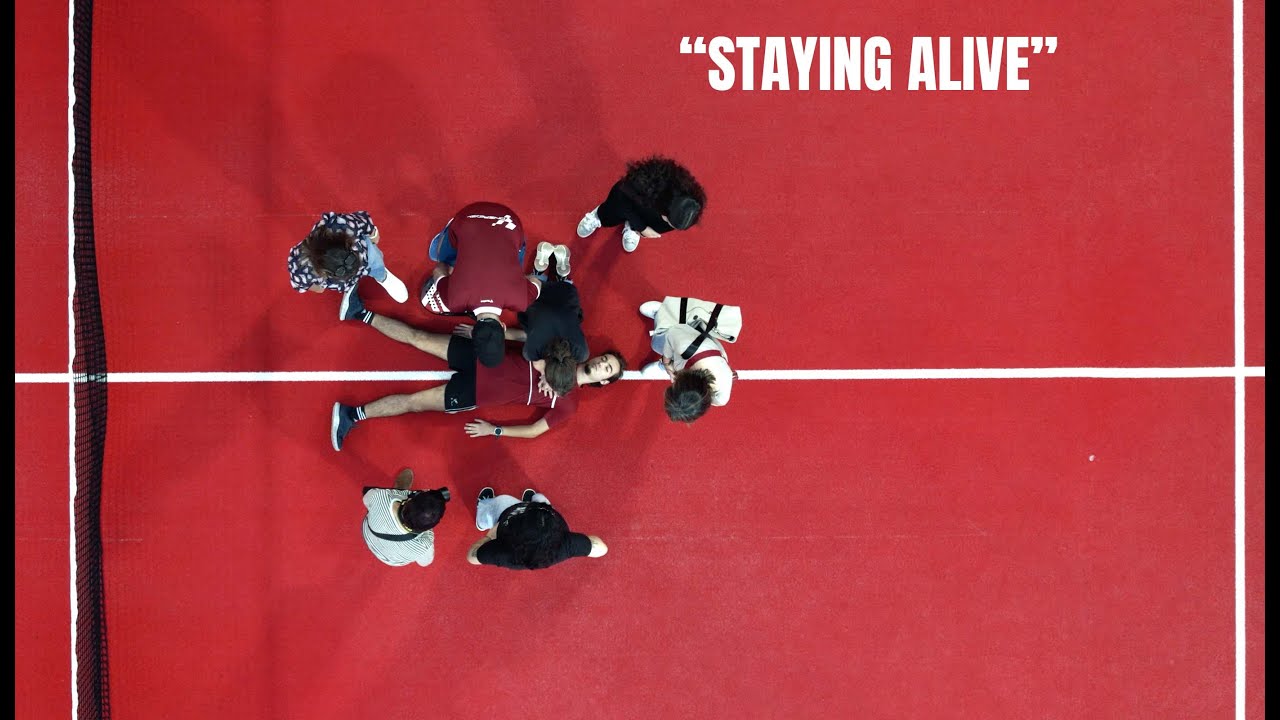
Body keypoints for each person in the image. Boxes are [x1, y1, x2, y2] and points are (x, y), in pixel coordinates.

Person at [330, 289, 625, 451]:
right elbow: (528, 336)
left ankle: (352, 416)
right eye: (605, 359)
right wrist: (484, 333)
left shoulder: (569, 404)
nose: (602, 364)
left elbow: (535, 431)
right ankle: (359, 311)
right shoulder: (568, 351)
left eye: (607, 368)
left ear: (603, 381)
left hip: (476, 392)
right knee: (419, 337)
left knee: (414, 403)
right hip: (483, 355)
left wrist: (494, 430)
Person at [454, 241, 586, 397]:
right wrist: (482, 333)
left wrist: (554, 375)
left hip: (567, 293)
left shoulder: (582, 352)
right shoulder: (532, 353)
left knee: (567, 305)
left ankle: (560, 273)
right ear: (546, 371)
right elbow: (523, 338)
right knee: (532, 310)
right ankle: (539, 270)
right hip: (536, 298)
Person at [419, 201, 542, 367]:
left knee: (516, 261)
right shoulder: (453, 300)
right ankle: (448, 237)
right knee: (439, 256)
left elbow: (536, 280)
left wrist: (512, 281)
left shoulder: (522, 301)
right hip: (467, 217)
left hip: (510, 220)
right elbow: (438, 270)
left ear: (503, 327)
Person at [575, 156, 707, 252]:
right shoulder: (648, 181)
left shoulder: (686, 209)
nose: (667, 224)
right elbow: (621, 198)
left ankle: (632, 228)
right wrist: (642, 227)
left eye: (672, 225)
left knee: (653, 224)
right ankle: (597, 216)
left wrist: (641, 228)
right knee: (609, 216)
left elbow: (667, 222)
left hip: (655, 209)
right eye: (669, 221)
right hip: (627, 199)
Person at [637, 300, 733, 423]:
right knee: (657, 344)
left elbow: (717, 401)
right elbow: (672, 335)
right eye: (674, 385)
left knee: (670, 356)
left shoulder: (721, 396)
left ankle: (669, 365)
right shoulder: (684, 346)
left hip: (694, 358)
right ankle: (663, 313)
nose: (672, 382)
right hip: (691, 337)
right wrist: (667, 363)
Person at [466, 487, 607, 570]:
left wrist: (489, 536)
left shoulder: (503, 553)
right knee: (539, 498)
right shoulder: (565, 545)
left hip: (504, 516)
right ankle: (531, 502)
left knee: (502, 500)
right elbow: (602, 549)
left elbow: (472, 556)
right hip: (542, 512)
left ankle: (482, 518)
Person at [287, 211, 409, 306]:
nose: (351, 269)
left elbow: (366, 223)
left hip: (366, 254)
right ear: (323, 271)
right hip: (342, 276)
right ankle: (352, 285)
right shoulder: (300, 267)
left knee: (376, 261)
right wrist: (320, 287)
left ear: (346, 243)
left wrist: (373, 237)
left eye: (350, 259)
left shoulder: (344, 224)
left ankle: (382, 276)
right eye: (342, 271)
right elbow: (306, 286)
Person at [361, 468, 449, 567]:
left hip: (368, 534)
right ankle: (400, 491)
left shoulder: (380, 497)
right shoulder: (424, 544)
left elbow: (366, 499)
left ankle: (399, 491)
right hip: (392, 560)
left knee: (396, 495)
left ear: (410, 500)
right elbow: (425, 562)